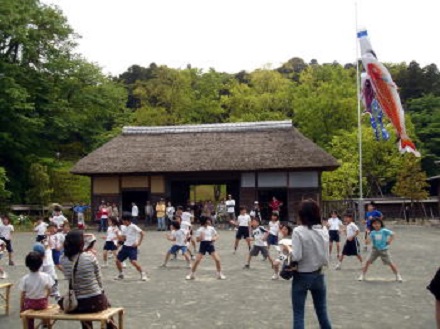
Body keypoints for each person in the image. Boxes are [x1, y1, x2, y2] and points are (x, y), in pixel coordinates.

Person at [61, 230, 115, 329]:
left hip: (77, 304)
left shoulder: (63, 259)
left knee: (69, 300)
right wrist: (101, 291)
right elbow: (99, 278)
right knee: (105, 302)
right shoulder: (90, 257)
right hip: (96, 301)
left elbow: (68, 276)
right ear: (81, 243)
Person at [290, 199, 331, 329]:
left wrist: (287, 250)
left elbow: (297, 256)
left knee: (299, 314)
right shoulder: (323, 230)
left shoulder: (298, 231)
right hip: (319, 275)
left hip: (302, 275)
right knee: (322, 312)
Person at [19, 252, 54, 329]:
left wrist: (21, 308)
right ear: (40, 264)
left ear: (27, 264)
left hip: (29, 304)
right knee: (46, 309)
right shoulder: (46, 276)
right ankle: (45, 324)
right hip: (42, 303)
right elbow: (50, 289)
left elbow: (22, 295)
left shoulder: (25, 279)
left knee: (29, 319)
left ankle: (30, 326)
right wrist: (46, 296)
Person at [115, 215, 148, 281]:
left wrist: (138, 243)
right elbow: (123, 238)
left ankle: (143, 273)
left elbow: (142, 233)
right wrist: (117, 235)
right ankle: (121, 274)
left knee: (133, 262)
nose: (123, 222)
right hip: (125, 247)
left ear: (128, 220)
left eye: (124, 220)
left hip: (132, 248)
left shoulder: (133, 226)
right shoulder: (124, 227)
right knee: (117, 261)